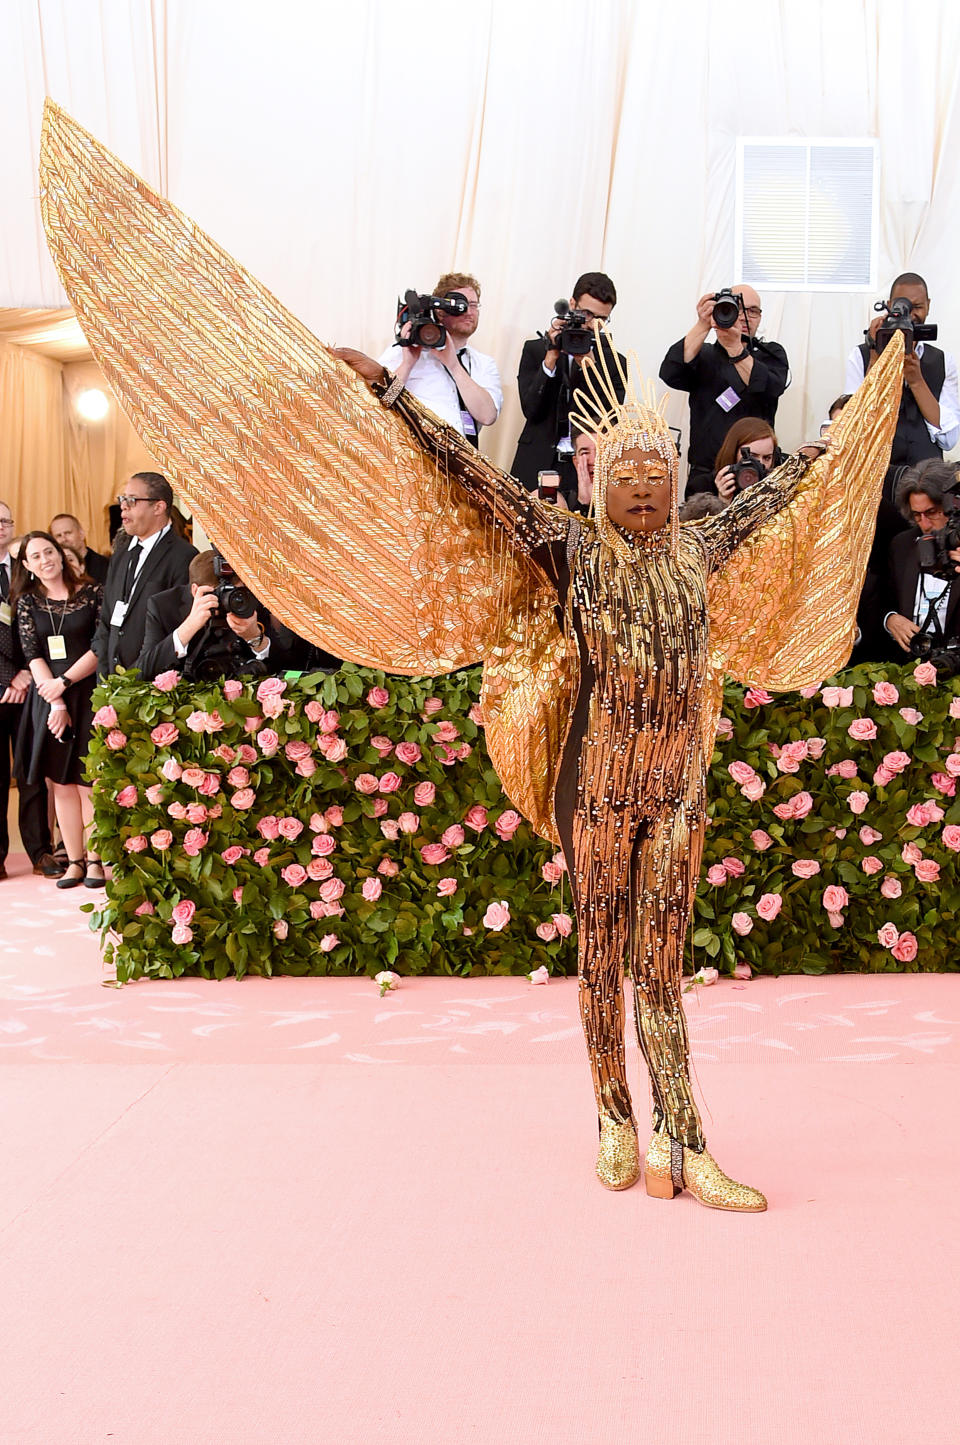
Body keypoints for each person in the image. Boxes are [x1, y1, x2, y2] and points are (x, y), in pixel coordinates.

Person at [11, 532, 104, 889]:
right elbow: (32, 653)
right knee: (61, 784)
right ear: (27, 565)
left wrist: (64, 683)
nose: (44, 559)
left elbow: (100, 647)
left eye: (49, 551)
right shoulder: (27, 603)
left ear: (60, 554)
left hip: (87, 695)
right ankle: (75, 863)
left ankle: (96, 862)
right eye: (35, 556)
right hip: (49, 701)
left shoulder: (91, 593)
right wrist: (55, 699)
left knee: (88, 783)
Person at [659, 285, 789, 496]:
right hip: (705, 476)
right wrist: (703, 324)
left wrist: (735, 350)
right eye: (738, 308)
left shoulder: (771, 354)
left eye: (753, 311)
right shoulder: (704, 353)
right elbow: (670, 372)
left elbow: (771, 387)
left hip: (757, 474)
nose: (745, 317)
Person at [512, 272, 625, 503]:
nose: (592, 324)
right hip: (538, 459)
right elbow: (531, 409)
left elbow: (607, 419)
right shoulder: (536, 349)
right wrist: (551, 356)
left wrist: (589, 367)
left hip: (584, 466)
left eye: (601, 319)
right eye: (586, 314)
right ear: (571, 305)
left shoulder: (615, 361)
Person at [377, 272, 501, 444]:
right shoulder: (403, 351)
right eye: (460, 304)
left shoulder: (483, 364)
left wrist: (454, 366)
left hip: (460, 463)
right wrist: (407, 364)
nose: (468, 311)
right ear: (441, 311)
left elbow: (487, 416)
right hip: (410, 458)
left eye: (473, 305)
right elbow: (381, 403)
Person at [92, 472, 197, 676]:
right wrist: (104, 681)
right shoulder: (121, 555)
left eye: (132, 500)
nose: (123, 506)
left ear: (158, 507)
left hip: (155, 682)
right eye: (123, 499)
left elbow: (179, 628)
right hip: (113, 683)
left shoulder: (183, 556)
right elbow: (106, 622)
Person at [0, 502, 56, 878]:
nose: (1, 526)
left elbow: (44, 625)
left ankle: (41, 852)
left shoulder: (29, 568)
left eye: (5, 520)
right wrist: (8, 676)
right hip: (3, 684)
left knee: (33, 772)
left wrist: (27, 673)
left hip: (33, 683)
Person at [138, 550, 278, 680]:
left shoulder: (247, 601)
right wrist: (188, 627)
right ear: (195, 590)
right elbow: (142, 672)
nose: (229, 601)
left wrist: (255, 638)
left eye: (235, 592)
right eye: (220, 595)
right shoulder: (163, 606)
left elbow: (287, 666)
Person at [883, 461, 960, 658]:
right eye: (917, 515)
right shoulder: (901, 545)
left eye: (932, 513)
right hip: (909, 664)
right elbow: (882, 598)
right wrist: (890, 619)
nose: (925, 524)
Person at [712, 418, 779, 503]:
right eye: (752, 456)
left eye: (767, 458)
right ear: (733, 452)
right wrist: (723, 501)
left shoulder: (778, 487)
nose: (760, 464)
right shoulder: (704, 487)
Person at [49, 513, 109, 583]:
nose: (64, 539)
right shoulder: (53, 570)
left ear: (81, 534)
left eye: (68, 533)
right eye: (58, 535)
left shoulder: (106, 566)